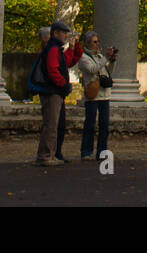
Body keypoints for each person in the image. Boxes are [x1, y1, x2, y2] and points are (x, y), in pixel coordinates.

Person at [33, 20, 82, 166]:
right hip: (52, 91)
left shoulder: (55, 49)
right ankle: (46, 155)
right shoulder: (53, 49)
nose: (66, 36)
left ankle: (51, 154)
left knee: (53, 124)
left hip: (55, 91)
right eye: (64, 33)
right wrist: (63, 84)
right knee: (51, 124)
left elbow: (68, 62)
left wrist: (75, 48)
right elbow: (53, 70)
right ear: (56, 33)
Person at [77, 30, 118, 161]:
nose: (97, 44)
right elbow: (93, 70)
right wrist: (106, 57)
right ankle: (86, 151)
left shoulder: (100, 57)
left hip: (105, 95)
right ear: (87, 44)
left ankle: (102, 151)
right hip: (93, 96)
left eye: (97, 41)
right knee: (90, 125)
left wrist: (112, 60)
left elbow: (108, 72)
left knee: (104, 125)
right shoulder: (83, 58)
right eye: (94, 42)